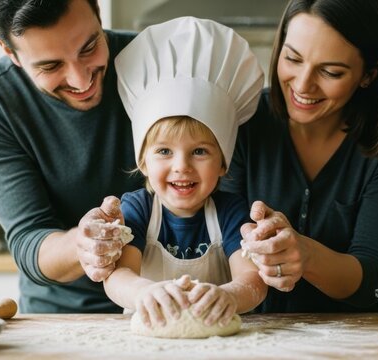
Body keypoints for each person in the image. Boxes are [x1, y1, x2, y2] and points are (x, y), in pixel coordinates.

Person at [219, 0, 378, 312]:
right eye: (292, 59)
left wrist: (306, 255)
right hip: (261, 328)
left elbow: (374, 277)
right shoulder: (243, 120)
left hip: (366, 331)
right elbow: (220, 237)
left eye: (330, 71)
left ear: (368, 74)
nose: (302, 85)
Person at [0, 0, 144, 313]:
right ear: (9, 52)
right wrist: (83, 245)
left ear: (97, 10)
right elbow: (29, 237)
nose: (81, 80)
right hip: (64, 316)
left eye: (89, 47)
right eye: (50, 66)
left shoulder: (154, 60)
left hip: (173, 300)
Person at [102, 17, 267, 328]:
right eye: (164, 151)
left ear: (223, 163)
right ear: (143, 163)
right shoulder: (136, 209)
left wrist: (229, 296)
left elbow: (252, 280)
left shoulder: (231, 212)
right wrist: (145, 293)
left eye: (200, 151)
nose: (182, 166)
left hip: (219, 341)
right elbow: (117, 277)